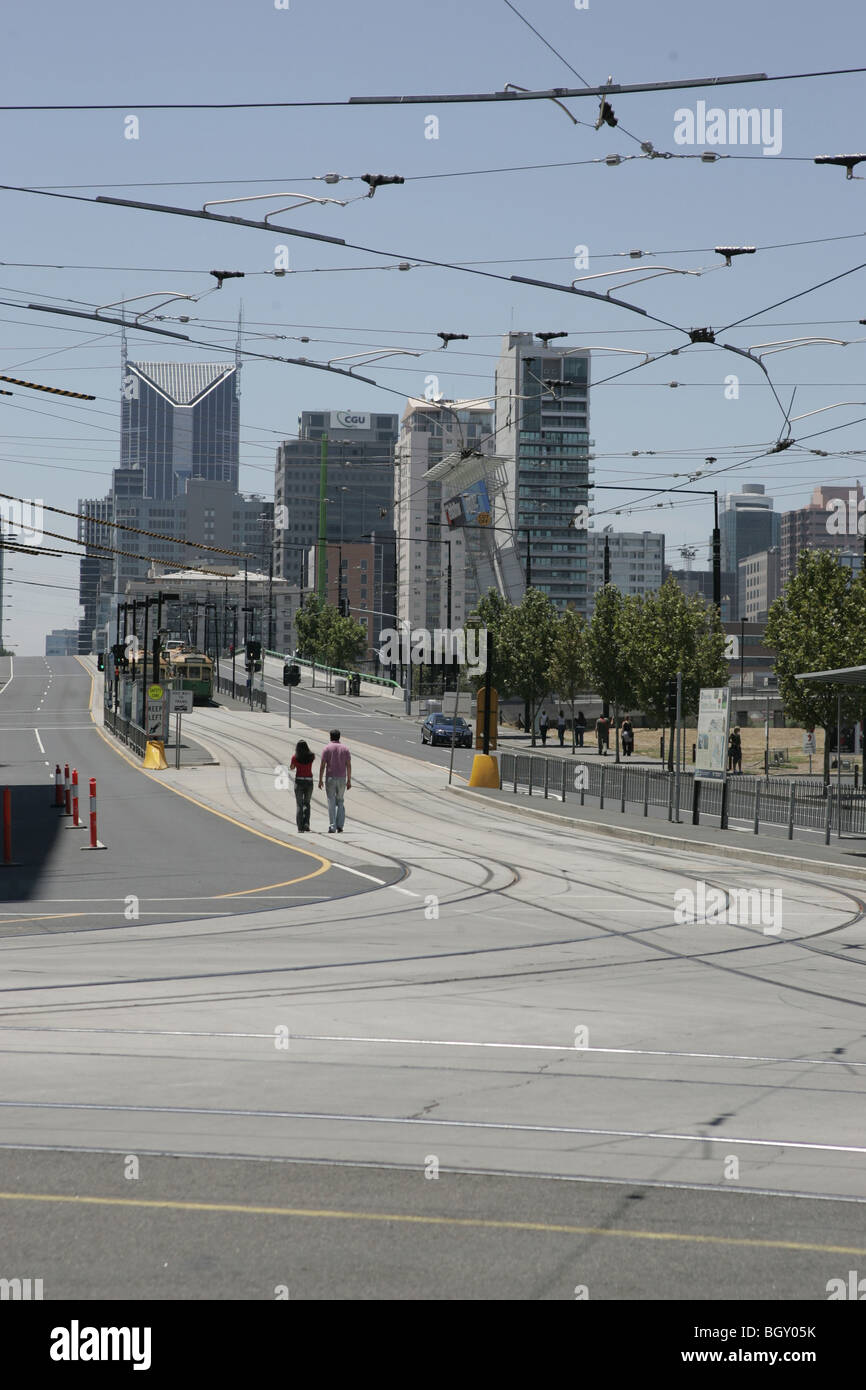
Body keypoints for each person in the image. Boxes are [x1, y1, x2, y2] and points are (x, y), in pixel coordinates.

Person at [319, 729, 352, 833]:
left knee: (331, 801)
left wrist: (320, 779)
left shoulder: (327, 748)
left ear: (330, 737)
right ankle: (340, 825)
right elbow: (348, 765)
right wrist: (349, 780)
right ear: (339, 737)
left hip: (330, 778)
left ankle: (332, 826)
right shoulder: (345, 749)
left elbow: (322, 765)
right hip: (342, 778)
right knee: (340, 801)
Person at [289, 739, 315, 832]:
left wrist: (294, 764)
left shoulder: (295, 757)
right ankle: (306, 823)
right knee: (307, 803)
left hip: (299, 781)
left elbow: (292, 768)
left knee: (299, 805)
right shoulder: (312, 756)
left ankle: (300, 827)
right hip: (309, 781)